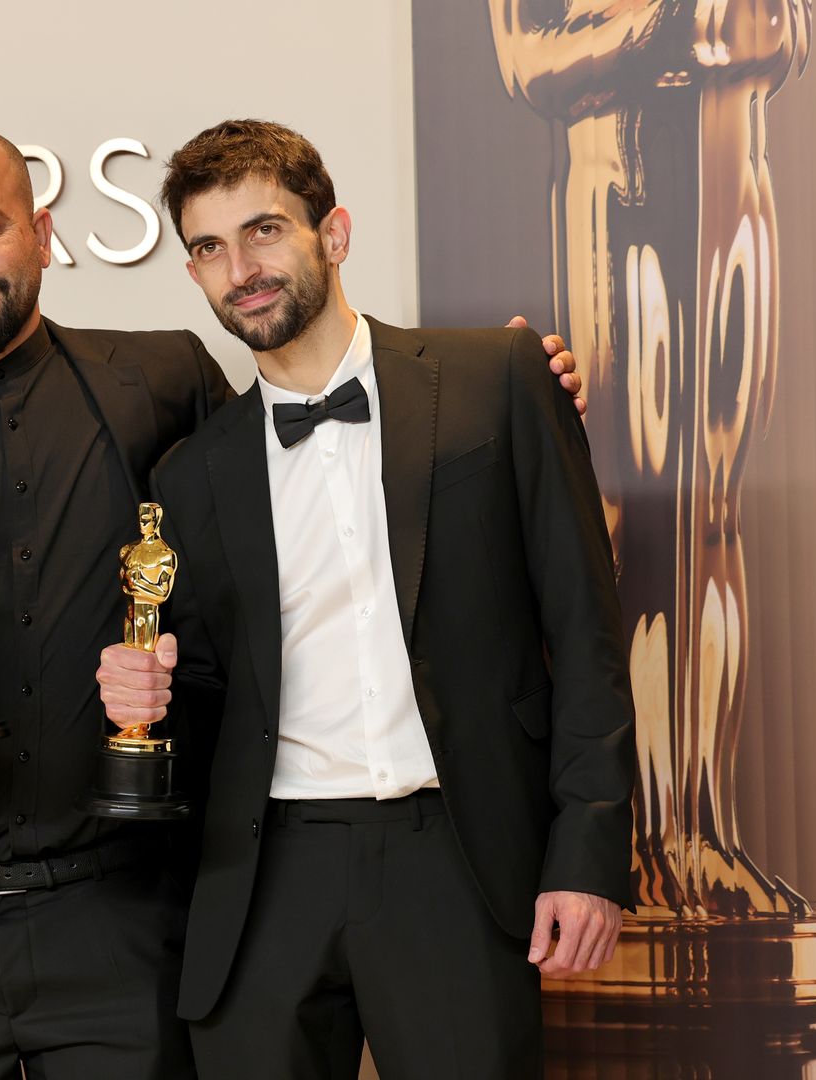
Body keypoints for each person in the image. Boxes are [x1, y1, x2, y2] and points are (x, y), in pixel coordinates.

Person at [0, 122, 586, 1077]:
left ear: (44, 231)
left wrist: (508, 397)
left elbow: (307, 443)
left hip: (128, 930)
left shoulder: (163, 381)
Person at [96, 119, 635, 1078]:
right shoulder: (189, 475)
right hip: (262, 874)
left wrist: (586, 857)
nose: (241, 268)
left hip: (458, 856)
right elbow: (215, 685)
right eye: (210, 249)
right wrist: (149, 690)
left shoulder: (497, 380)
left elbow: (585, 633)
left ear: (333, 234)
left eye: (264, 230)